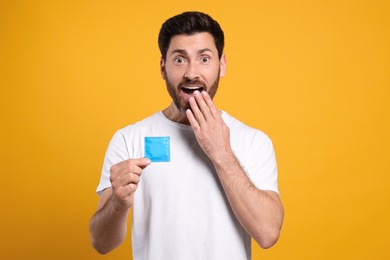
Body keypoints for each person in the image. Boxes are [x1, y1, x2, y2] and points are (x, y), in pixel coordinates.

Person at [89, 11, 284, 260]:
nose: (192, 73)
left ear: (221, 65)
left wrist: (221, 153)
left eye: (204, 58)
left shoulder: (254, 141)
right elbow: (101, 243)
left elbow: (268, 234)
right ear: (163, 67)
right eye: (180, 60)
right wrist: (117, 202)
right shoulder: (130, 139)